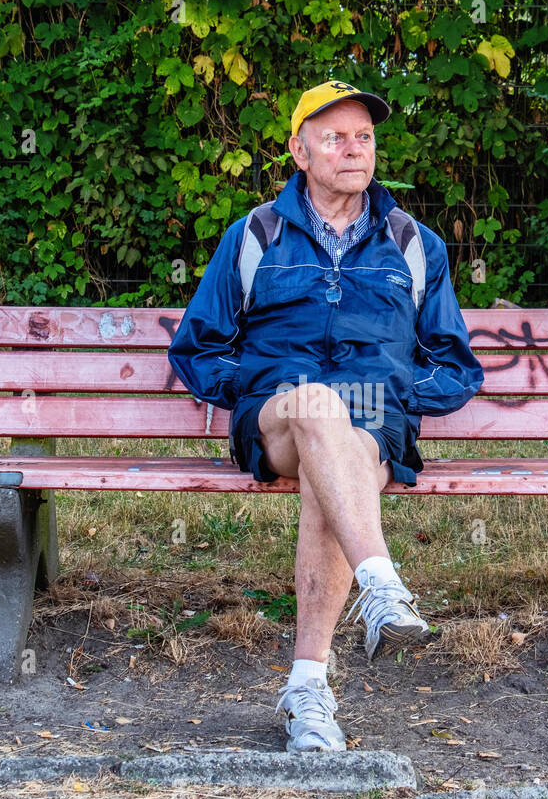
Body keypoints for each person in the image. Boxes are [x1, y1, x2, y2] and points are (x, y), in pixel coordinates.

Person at [168, 79, 484, 752]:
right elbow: (198, 347)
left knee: (330, 461)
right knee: (315, 407)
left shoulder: (412, 242)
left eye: (364, 137)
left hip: (373, 424)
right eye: (335, 137)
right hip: (280, 413)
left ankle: (306, 692)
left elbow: (455, 366)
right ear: (299, 150)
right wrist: (253, 388)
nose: (353, 149)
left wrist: (397, 397)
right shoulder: (256, 235)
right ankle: (382, 583)